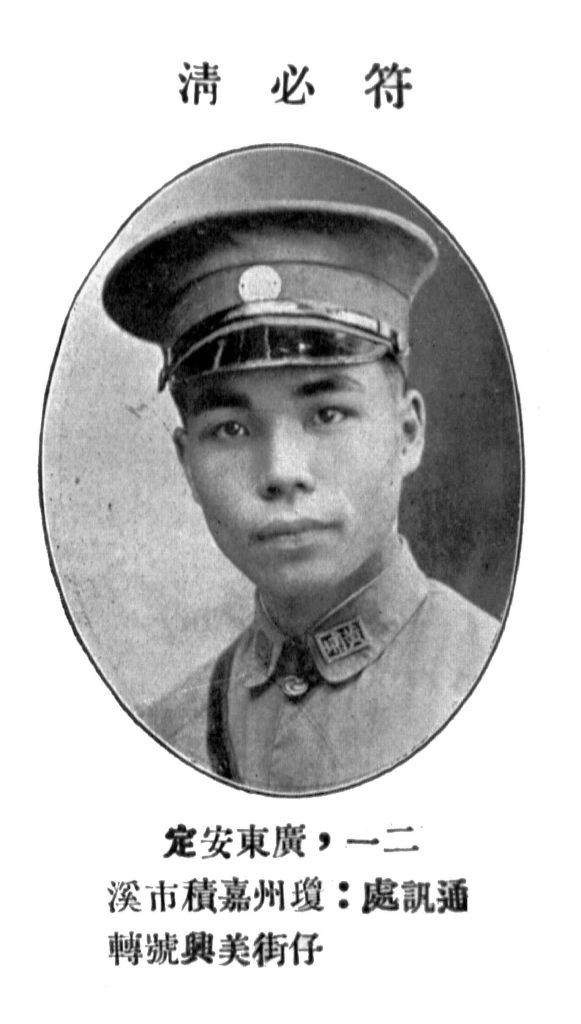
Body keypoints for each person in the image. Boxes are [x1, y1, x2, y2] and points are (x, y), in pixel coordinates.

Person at [103, 199, 499, 794]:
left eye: (327, 414)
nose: (282, 473)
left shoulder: (506, 688)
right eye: (231, 429)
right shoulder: (164, 737)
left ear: (407, 434)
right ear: (187, 464)